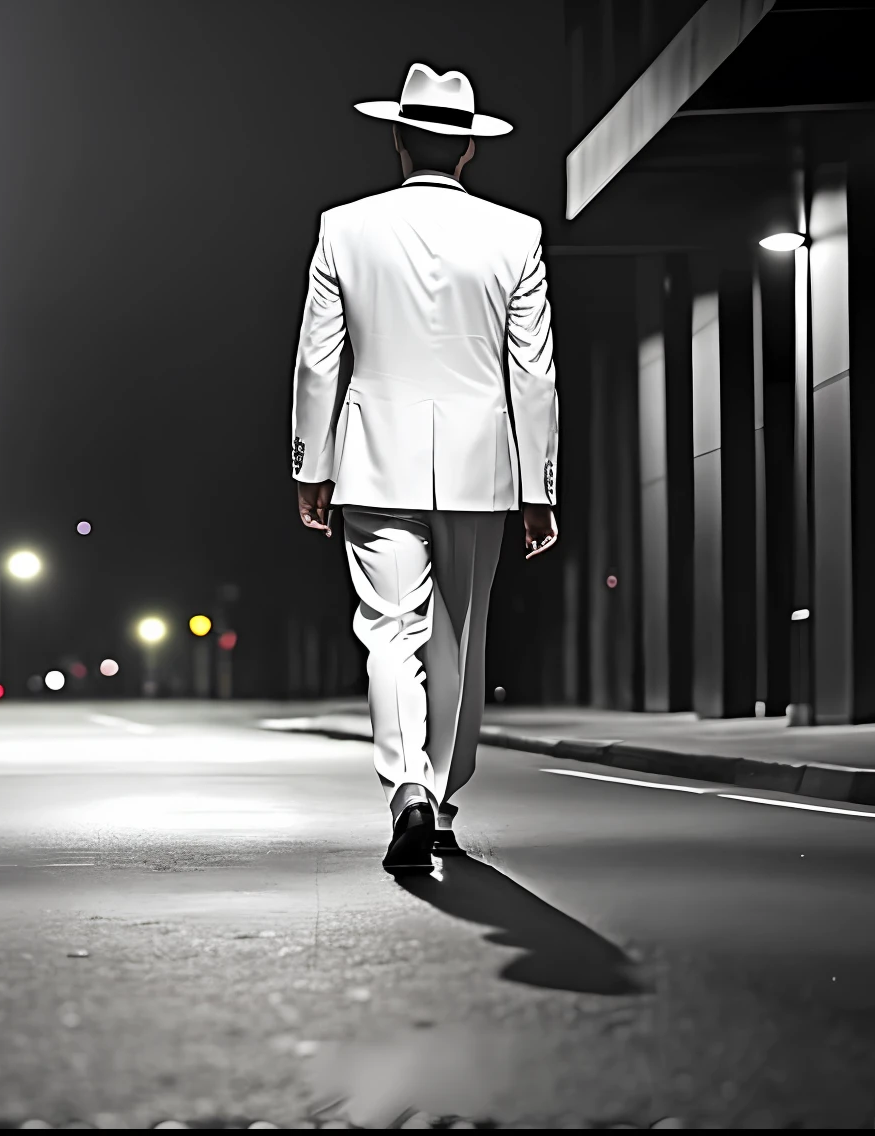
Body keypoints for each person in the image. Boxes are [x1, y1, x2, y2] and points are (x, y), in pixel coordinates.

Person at [288, 62, 559, 875]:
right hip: (482, 467)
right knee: (460, 640)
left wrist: (312, 464)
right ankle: (439, 800)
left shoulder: (345, 227)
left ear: (399, 137)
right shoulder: (518, 235)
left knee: (388, 635)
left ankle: (404, 787)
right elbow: (533, 373)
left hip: (373, 460)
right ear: (469, 151)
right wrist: (538, 488)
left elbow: (316, 361)